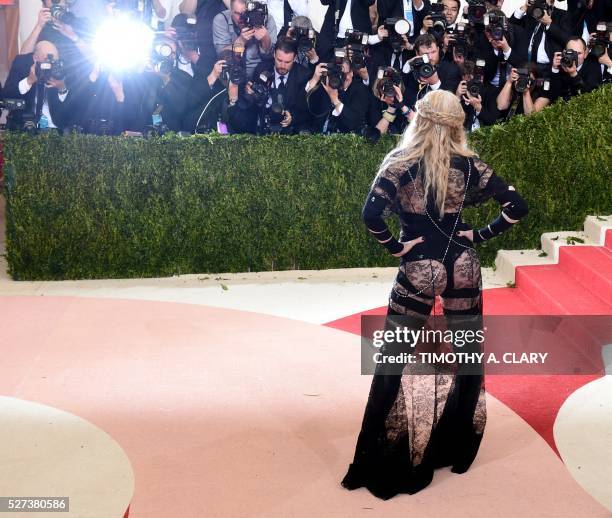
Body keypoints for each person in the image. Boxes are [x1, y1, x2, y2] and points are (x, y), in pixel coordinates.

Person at [341, 89, 528, 499]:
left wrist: (395, 247)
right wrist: (479, 235)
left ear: (418, 119)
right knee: (465, 356)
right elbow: (516, 205)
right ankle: (457, 449)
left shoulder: (400, 162)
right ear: (457, 123)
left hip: (419, 268)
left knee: (395, 359)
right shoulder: (470, 164)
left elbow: (370, 214)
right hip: (463, 265)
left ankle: (382, 456)